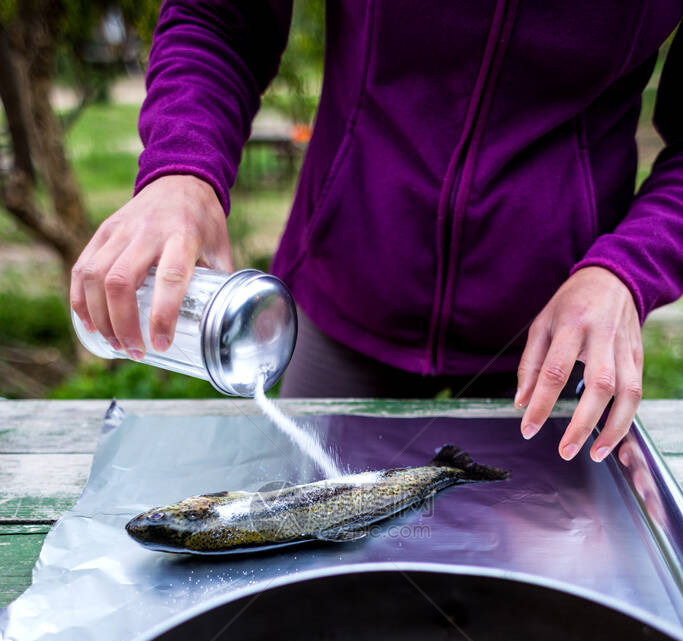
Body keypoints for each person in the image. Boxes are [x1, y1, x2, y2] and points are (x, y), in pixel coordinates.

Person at [70, 2, 683, 462]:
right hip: (346, 292)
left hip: (554, 334)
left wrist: (627, 270)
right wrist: (183, 167)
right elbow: (221, 18)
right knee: (306, 546)